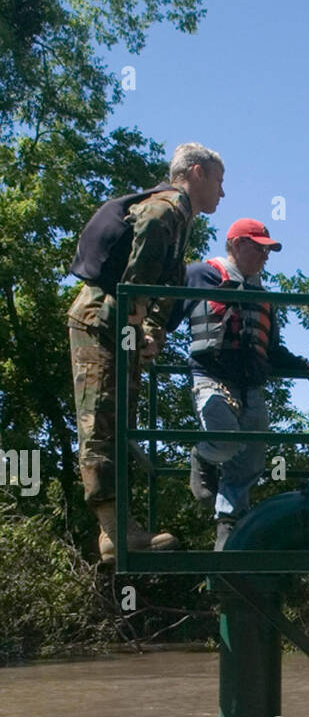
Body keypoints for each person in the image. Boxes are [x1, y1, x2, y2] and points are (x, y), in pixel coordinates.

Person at [68, 142, 225, 563]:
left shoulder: (180, 216)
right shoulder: (166, 208)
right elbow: (140, 275)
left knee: (120, 420)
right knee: (101, 418)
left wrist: (149, 330)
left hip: (119, 323)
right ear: (196, 172)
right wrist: (138, 321)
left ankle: (118, 529)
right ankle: (114, 530)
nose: (222, 193)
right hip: (102, 318)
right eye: (219, 180)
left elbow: (165, 287)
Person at [184, 218, 309, 548]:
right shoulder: (201, 275)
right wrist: (148, 335)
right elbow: (163, 311)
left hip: (251, 386)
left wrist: (305, 366)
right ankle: (203, 455)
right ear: (237, 245)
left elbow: (273, 349)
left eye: (268, 251)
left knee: (251, 461)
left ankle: (229, 528)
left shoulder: (262, 295)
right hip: (212, 377)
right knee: (225, 441)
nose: (266, 257)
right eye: (260, 249)